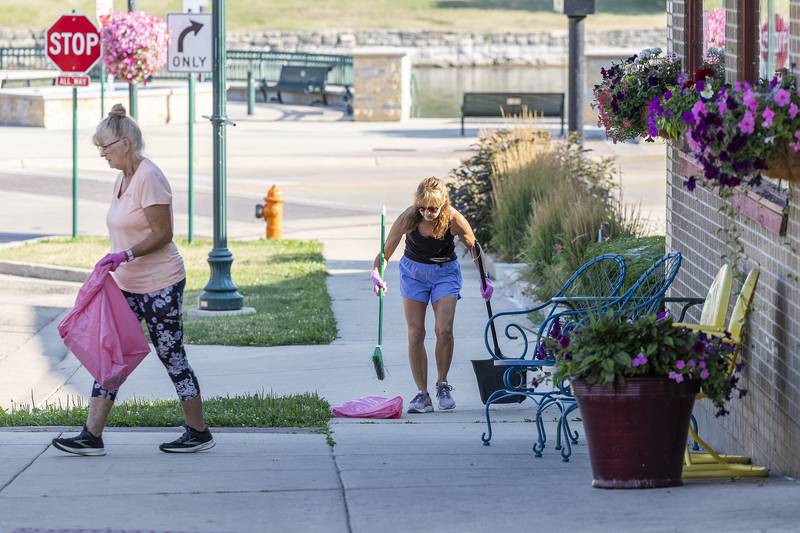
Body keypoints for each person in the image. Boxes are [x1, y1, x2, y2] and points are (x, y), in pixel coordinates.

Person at [52, 104, 214, 456]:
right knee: (110, 353)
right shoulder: (121, 179)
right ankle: (91, 435)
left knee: (171, 355)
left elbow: (164, 234)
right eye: (99, 147)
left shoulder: (149, 177)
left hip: (161, 284)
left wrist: (124, 255)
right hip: (126, 285)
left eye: (106, 147)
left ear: (126, 144)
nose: (102, 154)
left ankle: (198, 431)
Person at [371, 177, 492, 413]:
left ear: (443, 204)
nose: (427, 213)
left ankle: (442, 384)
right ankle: (422, 394)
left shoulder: (454, 219)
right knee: (416, 332)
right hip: (413, 273)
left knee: (443, 329)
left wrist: (484, 278)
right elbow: (385, 252)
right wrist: (376, 273)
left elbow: (474, 247)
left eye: (433, 209)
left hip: (445, 273)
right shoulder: (409, 218)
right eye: (422, 207)